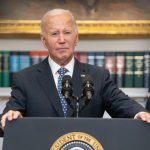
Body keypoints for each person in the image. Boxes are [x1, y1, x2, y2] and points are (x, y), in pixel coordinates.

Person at [1, 8, 150, 129]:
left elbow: (121, 103)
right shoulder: (25, 78)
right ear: (44, 41)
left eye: (67, 32)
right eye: (54, 34)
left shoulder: (98, 76)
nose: (62, 40)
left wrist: (140, 113)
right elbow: (12, 111)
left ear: (76, 38)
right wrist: (9, 117)